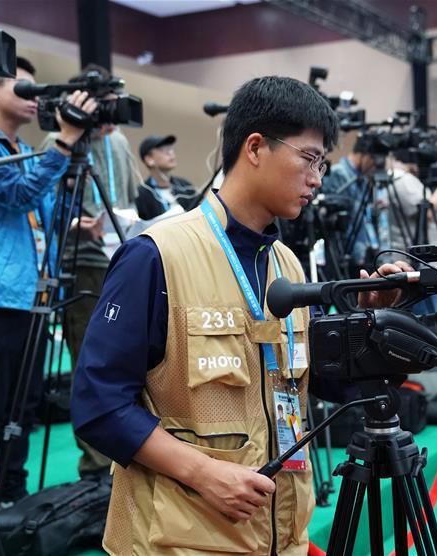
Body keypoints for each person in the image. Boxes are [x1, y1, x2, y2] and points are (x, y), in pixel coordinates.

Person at [71, 75, 411, 555]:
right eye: (309, 159)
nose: (318, 178)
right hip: (179, 542)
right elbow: (98, 406)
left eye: (323, 162)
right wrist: (204, 473)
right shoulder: (156, 255)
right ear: (255, 147)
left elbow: (320, 382)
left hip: (280, 535)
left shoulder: (286, 265)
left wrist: (372, 326)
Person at [0, 55, 95, 554]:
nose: (35, 99)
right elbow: (13, 194)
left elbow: (41, 208)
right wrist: (65, 141)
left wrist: (77, 221)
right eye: (24, 88)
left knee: (24, 408)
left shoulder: (23, 148)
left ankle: (13, 500)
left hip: (32, 297)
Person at [39, 64, 143, 478]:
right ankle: (98, 463)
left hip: (124, 254)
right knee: (89, 357)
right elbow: (41, 204)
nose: (110, 114)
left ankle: (129, 451)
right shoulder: (58, 140)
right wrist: (70, 224)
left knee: (130, 356)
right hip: (80, 260)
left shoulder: (118, 141)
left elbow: (132, 193)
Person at [320, 135, 378, 271]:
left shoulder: (362, 180)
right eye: (374, 160)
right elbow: (335, 223)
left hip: (360, 256)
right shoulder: (338, 175)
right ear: (364, 155)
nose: (375, 166)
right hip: (342, 258)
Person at [135, 134, 198, 220]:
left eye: (170, 149)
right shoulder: (141, 195)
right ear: (149, 159)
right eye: (163, 150)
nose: (170, 153)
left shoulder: (185, 186)